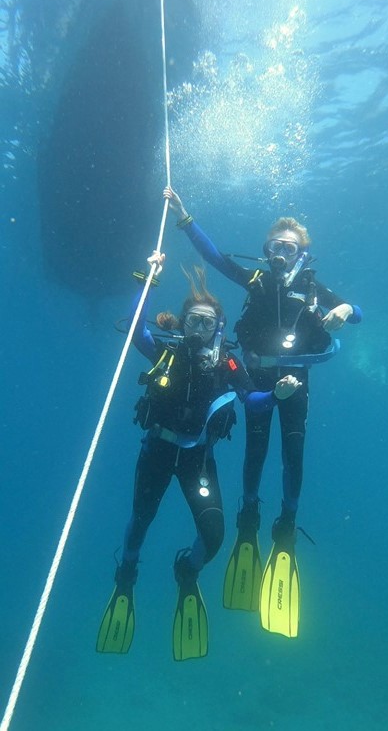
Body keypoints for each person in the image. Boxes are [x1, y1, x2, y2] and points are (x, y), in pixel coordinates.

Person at [163, 186, 362, 638]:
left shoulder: (314, 289)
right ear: (266, 252)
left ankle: (286, 523)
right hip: (256, 380)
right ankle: (248, 515)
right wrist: (185, 218)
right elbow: (217, 261)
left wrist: (345, 308)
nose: (278, 255)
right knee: (256, 451)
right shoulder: (256, 282)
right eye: (273, 248)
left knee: (294, 455)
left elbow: (358, 314)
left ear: (301, 253)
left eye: (287, 249)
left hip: (297, 381)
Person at [96, 252, 300, 659]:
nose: (199, 328)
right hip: (157, 451)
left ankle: (187, 570)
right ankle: (127, 576)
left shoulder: (227, 363)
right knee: (141, 522)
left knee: (214, 535)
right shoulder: (167, 353)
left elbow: (254, 402)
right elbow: (137, 328)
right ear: (184, 323)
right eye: (193, 321)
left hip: (197, 460)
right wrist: (148, 282)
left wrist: (276, 395)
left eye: (207, 322)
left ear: (217, 328)